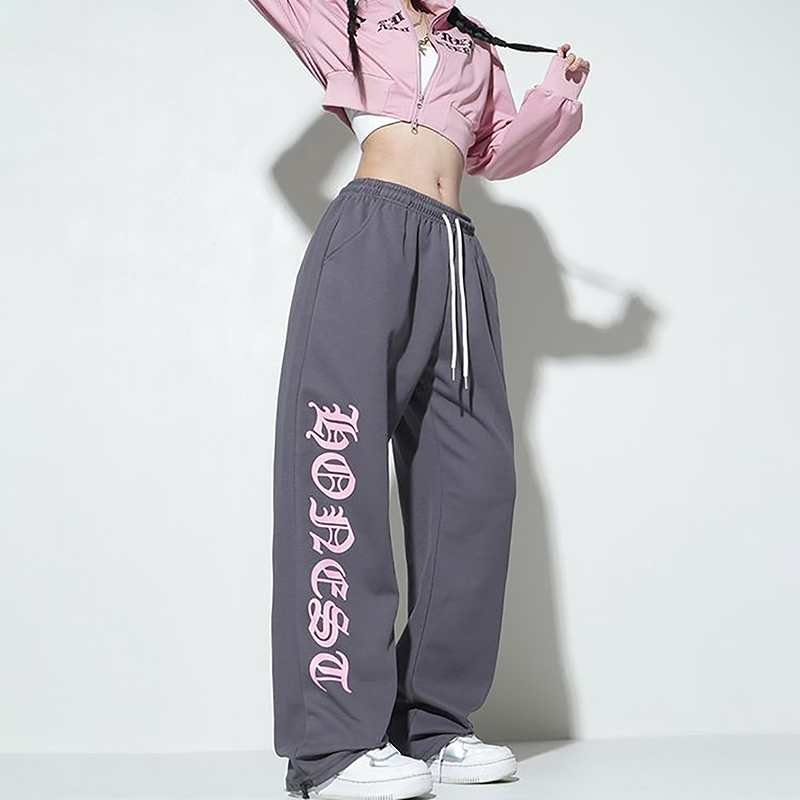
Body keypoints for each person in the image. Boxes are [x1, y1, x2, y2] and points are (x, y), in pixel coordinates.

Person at [244, 1, 590, 797]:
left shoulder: (476, 45)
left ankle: (429, 725)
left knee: (474, 489)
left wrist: (557, 94)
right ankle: (331, 747)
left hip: (456, 253)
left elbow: (496, 151)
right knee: (337, 475)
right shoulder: (347, 16)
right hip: (368, 236)